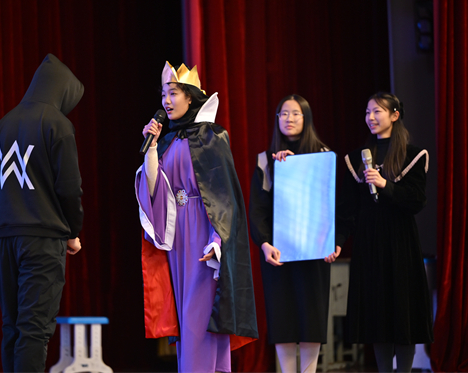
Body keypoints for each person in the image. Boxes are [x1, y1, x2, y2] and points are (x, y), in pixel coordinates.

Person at [135, 61, 258, 373]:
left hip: (202, 234)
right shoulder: (167, 140)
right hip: (177, 236)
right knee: (186, 317)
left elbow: (224, 196)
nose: (166, 101)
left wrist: (218, 241)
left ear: (190, 97)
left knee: (198, 316)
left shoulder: (211, 136)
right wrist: (151, 148)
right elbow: (155, 191)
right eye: (163, 94)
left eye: (173, 93)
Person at [0, 53, 84, 372]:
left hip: (5, 236)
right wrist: (72, 231)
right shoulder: (58, 125)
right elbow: (69, 188)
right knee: (34, 329)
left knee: (12, 326)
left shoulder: (2, 125)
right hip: (42, 238)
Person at [330, 92, 434, 372]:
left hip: (401, 243)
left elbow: (416, 201)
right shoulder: (357, 159)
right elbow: (348, 210)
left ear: (394, 115)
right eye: (367, 112)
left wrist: (385, 185)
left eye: (377, 111)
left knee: (403, 314)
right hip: (370, 244)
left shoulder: (413, 155)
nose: (371, 117)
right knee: (378, 316)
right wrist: (339, 241)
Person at [249, 94, 335, 373]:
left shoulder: (322, 156)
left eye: (296, 113)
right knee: (282, 320)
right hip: (278, 253)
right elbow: (258, 210)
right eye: (284, 113)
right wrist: (264, 244)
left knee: (311, 319)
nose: (289, 119)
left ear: (306, 118)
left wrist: (332, 242)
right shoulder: (266, 160)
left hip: (313, 251)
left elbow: (329, 205)